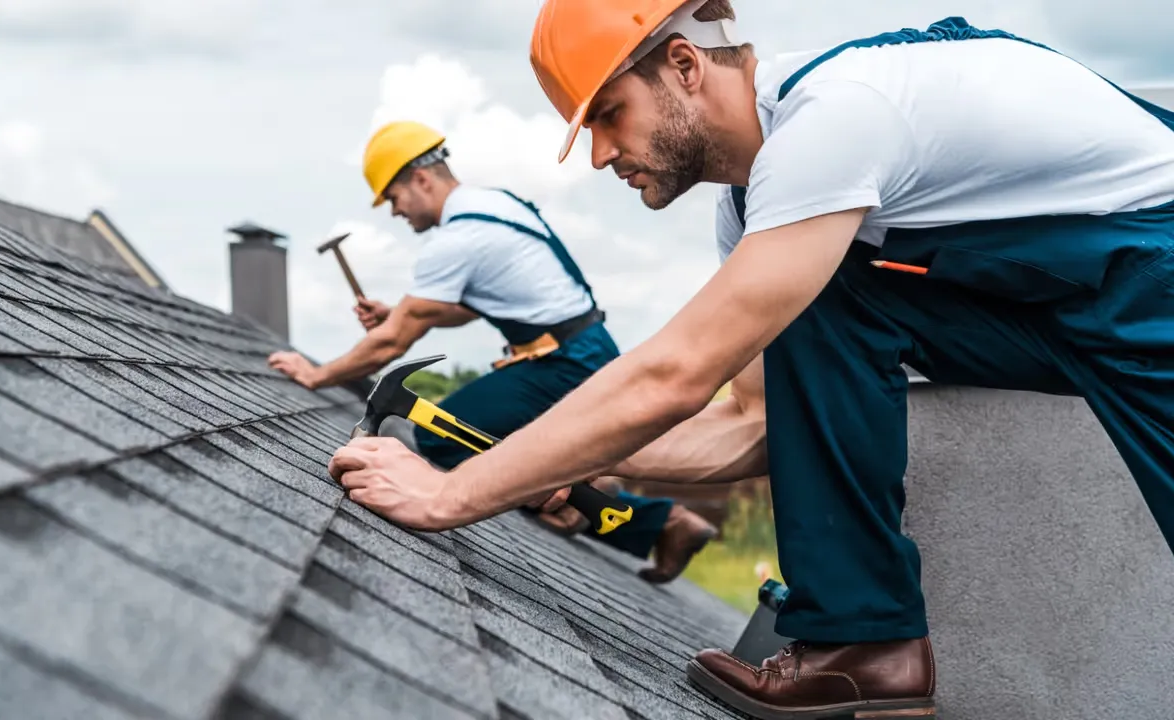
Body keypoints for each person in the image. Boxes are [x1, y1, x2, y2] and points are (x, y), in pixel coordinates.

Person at [326, 1, 1174, 717]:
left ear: (685, 66)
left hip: (1154, 269)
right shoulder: (758, 212)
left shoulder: (838, 116)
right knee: (827, 296)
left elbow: (676, 374)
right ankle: (864, 641)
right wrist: (543, 464)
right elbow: (753, 425)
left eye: (608, 115)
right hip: (1057, 301)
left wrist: (451, 492)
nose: (599, 155)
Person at [268, 119, 716, 583]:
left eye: (394, 198)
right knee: (512, 453)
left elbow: (392, 343)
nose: (396, 213)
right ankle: (628, 510)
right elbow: (463, 310)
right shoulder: (495, 206)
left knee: (439, 438)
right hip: (577, 351)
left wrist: (316, 374)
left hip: (560, 363)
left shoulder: (458, 237)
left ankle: (618, 508)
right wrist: (399, 313)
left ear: (420, 179)